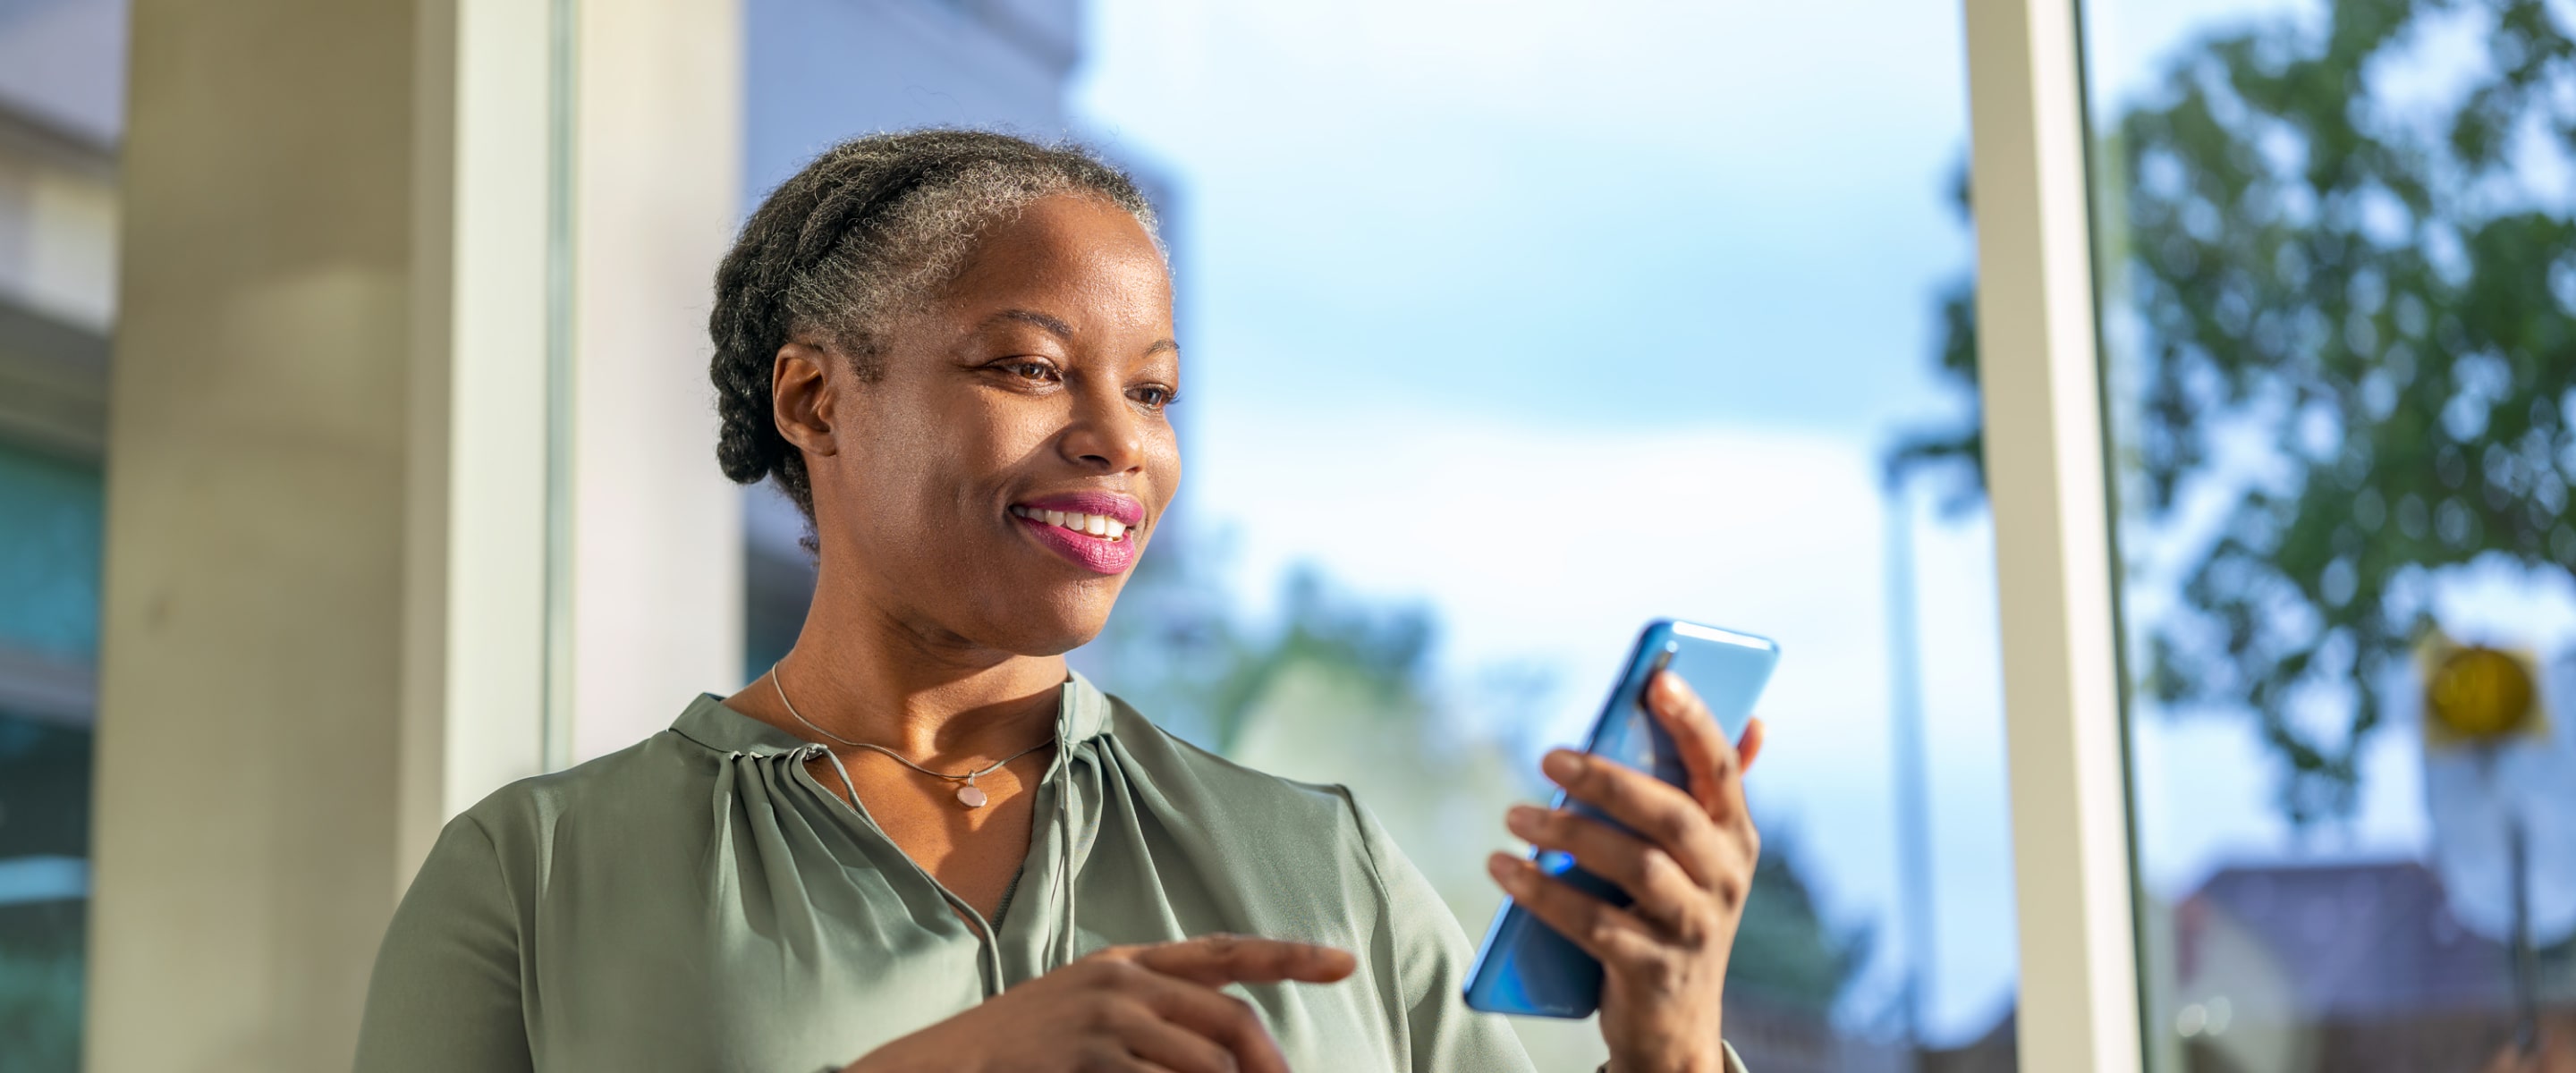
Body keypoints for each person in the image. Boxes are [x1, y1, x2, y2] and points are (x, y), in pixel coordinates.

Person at [354, 130, 1768, 1073]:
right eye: (1031, 368)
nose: (1120, 441)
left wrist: (1675, 1044)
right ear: (814, 397)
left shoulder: (1321, 866)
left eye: (1152, 390)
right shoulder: (533, 878)